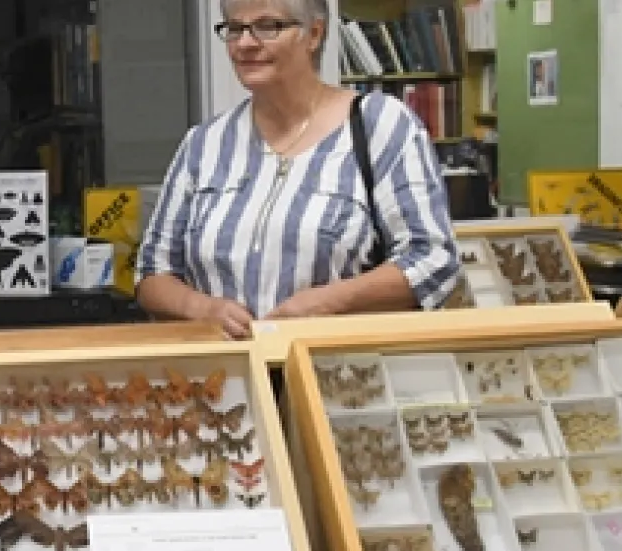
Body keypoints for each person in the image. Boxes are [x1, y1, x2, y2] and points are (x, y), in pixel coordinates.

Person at [137, 0, 460, 339]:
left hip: (339, 365)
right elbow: (152, 273)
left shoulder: (380, 126)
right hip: (229, 369)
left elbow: (432, 259)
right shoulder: (204, 144)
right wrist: (202, 309)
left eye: (267, 26)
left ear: (314, 34)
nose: (245, 43)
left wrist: (328, 303)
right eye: (234, 28)